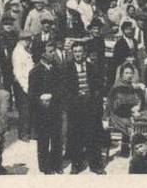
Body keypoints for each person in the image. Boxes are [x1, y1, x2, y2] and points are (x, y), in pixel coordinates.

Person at [62, 41, 106, 174]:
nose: (77, 55)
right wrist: (75, 97)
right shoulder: (67, 68)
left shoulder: (92, 67)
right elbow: (65, 89)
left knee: (93, 135)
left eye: (80, 51)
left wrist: (95, 101)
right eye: (75, 52)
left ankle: (95, 164)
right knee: (76, 136)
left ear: (84, 52)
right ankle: (77, 164)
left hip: (90, 106)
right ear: (72, 53)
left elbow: (98, 86)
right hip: (75, 107)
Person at [28, 41, 65, 174]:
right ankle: (44, 166)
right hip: (42, 113)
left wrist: (54, 96)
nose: (53, 53)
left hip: (55, 109)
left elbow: (61, 86)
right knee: (43, 140)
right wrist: (40, 100)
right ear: (43, 54)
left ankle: (57, 164)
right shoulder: (35, 71)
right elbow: (31, 95)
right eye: (50, 51)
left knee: (57, 138)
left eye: (54, 50)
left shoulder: (56, 68)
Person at [105, 62, 145, 157]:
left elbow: (139, 100)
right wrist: (132, 111)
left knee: (144, 119)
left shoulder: (131, 86)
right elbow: (116, 105)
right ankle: (127, 149)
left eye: (130, 73)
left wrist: (138, 107)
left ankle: (138, 148)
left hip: (128, 113)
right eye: (126, 73)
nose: (129, 75)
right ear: (122, 74)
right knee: (129, 123)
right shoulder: (117, 86)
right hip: (117, 114)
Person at [10, 29, 35, 142]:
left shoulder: (24, 51)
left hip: (27, 84)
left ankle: (28, 132)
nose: (30, 42)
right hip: (22, 85)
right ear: (23, 40)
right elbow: (18, 73)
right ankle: (23, 134)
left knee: (28, 109)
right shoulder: (18, 52)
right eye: (29, 40)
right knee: (24, 110)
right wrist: (25, 87)